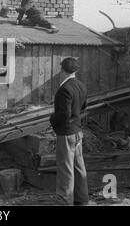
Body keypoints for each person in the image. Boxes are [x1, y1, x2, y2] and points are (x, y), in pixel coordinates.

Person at [49, 57, 89, 205]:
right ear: (76, 70)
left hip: (66, 133)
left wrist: (52, 119)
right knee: (79, 166)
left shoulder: (64, 89)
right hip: (78, 132)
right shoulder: (81, 85)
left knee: (65, 169)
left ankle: (64, 201)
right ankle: (82, 198)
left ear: (62, 70)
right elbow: (83, 108)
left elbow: (64, 114)